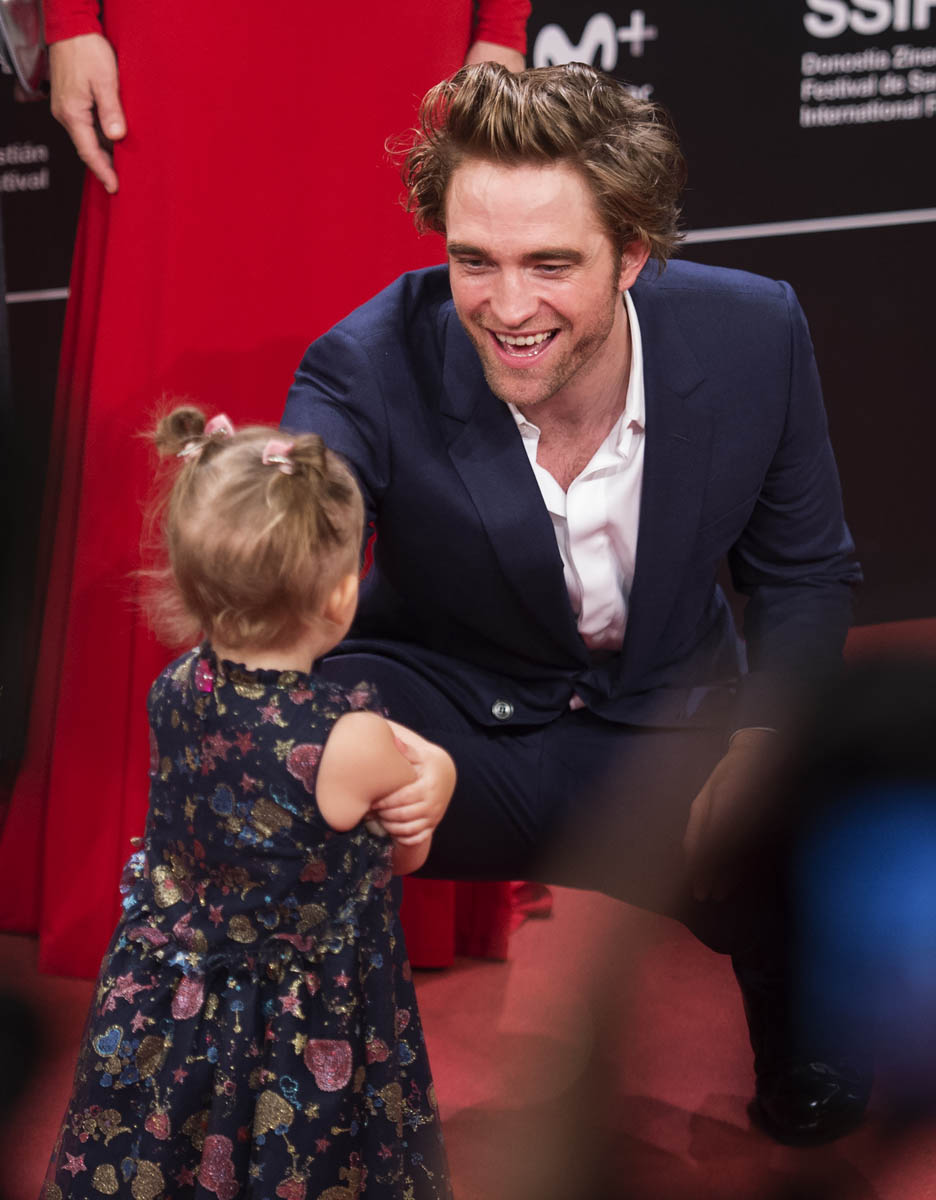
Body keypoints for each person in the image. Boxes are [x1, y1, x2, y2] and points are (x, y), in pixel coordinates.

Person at [282, 61, 867, 1146]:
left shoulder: (751, 334)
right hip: (450, 720)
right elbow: (292, 569)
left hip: (665, 721)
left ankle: (804, 1047)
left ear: (631, 253)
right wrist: (266, 514)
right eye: (474, 261)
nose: (508, 308)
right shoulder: (365, 363)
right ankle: (301, 1086)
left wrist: (762, 746)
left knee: (821, 776)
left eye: (550, 264)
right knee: (287, 756)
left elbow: (803, 574)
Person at [0, 0, 530, 980]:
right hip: (184, 40)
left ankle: (395, 854)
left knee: (395, 374)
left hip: (392, 38)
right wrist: (70, 20)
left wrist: (500, 24)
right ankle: (143, 866)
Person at [42, 407, 456, 1198]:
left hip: (174, 1000)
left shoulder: (175, 685)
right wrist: (441, 769)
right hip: (298, 1022)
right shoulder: (352, 738)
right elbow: (409, 851)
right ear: (342, 593)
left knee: (165, 1154)